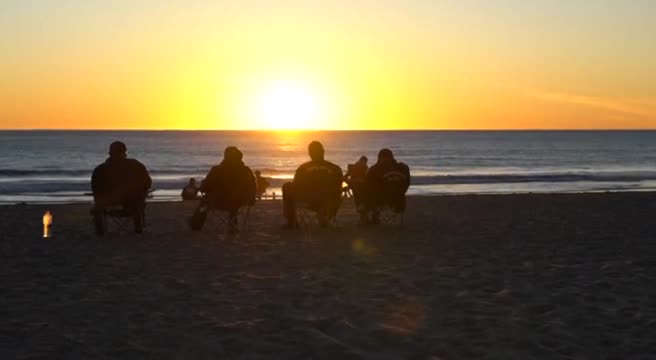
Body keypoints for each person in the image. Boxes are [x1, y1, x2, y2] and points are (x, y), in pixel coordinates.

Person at [189, 146, 256, 233]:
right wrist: (250, 199)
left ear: (226, 156)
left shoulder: (218, 170)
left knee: (204, 202)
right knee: (234, 201)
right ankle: (233, 225)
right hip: (242, 202)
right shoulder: (247, 171)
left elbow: (205, 187)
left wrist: (202, 186)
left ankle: (196, 224)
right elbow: (253, 186)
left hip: (221, 202)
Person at [91, 141, 152, 235]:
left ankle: (100, 233)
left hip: (108, 203)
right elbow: (147, 183)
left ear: (110, 154)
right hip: (133, 203)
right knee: (138, 200)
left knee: (98, 204)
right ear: (124, 152)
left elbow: (95, 189)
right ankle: (138, 229)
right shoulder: (136, 165)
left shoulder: (100, 169)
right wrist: (142, 192)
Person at [282, 141, 343, 228]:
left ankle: (291, 221)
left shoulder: (303, 168)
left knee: (287, 186)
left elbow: (296, 185)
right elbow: (338, 187)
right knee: (337, 194)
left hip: (308, 201)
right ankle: (327, 216)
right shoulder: (335, 169)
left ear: (310, 153)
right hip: (328, 201)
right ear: (323, 151)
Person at [361, 148, 410, 224]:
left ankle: (372, 215)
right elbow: (407, 183)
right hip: (399, 197)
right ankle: (398, 215)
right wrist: (401, 191)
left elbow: (368, 185)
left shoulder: (374, 169)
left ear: (380, 158)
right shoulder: (403, 168)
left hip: (380, 198)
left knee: (366, 190)